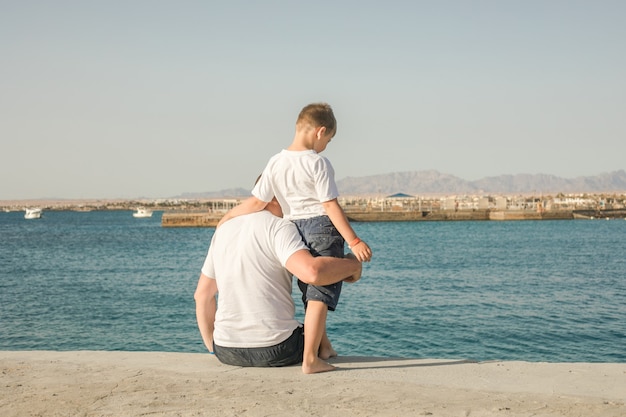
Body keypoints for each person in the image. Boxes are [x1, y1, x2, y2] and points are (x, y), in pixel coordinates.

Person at [216, 102, 372, 373]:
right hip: (322, 228)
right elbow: (330, 205)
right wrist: (354, 240)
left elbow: (256, 203)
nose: (327, 145)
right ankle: (310, 359)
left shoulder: (275, 162)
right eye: (330, 140)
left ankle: (325, 348)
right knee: (320, 294)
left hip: (292, 228)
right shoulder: (318, 162)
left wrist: (227, 218)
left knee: (309, 295)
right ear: (320, 132)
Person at [194, 197, 362, 374]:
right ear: (274, 198)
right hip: (278, 349)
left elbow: (202, 296)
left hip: (225, 350)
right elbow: (312, 272)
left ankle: (325, 347)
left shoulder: (223, 231)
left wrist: (213, 347)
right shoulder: (279, 226)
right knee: (317, 298)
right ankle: (323, 350)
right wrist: (353, 265)